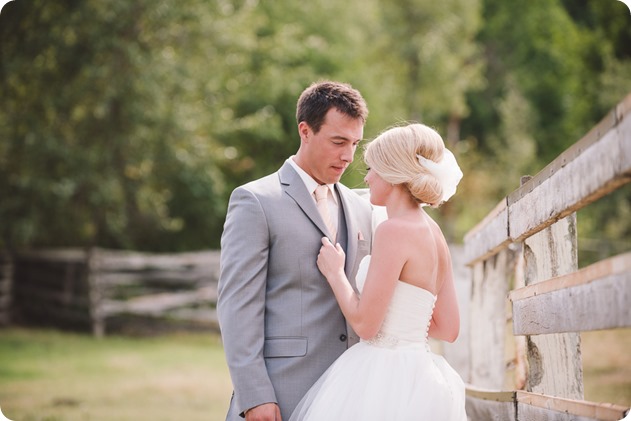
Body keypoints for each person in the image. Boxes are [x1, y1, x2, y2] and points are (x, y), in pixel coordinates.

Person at [217, 81, 374, 421]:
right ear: (305, 130)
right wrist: (254, 394)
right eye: (338, 142)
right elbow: (237, 307)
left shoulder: (361, 207)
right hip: (282, 392)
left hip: (349, 395)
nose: (348, 155)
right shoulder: (255, 201)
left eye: (354, 143)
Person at [290, 123, 466, 420]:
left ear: (392, 174)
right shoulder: (434, 232)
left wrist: (335, 273)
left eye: (372, 169)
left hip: (383, 375)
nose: (367, 177)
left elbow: (365, 326)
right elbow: (448, 328)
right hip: (422, 378)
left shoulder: (393, 230)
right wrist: (402, 326)